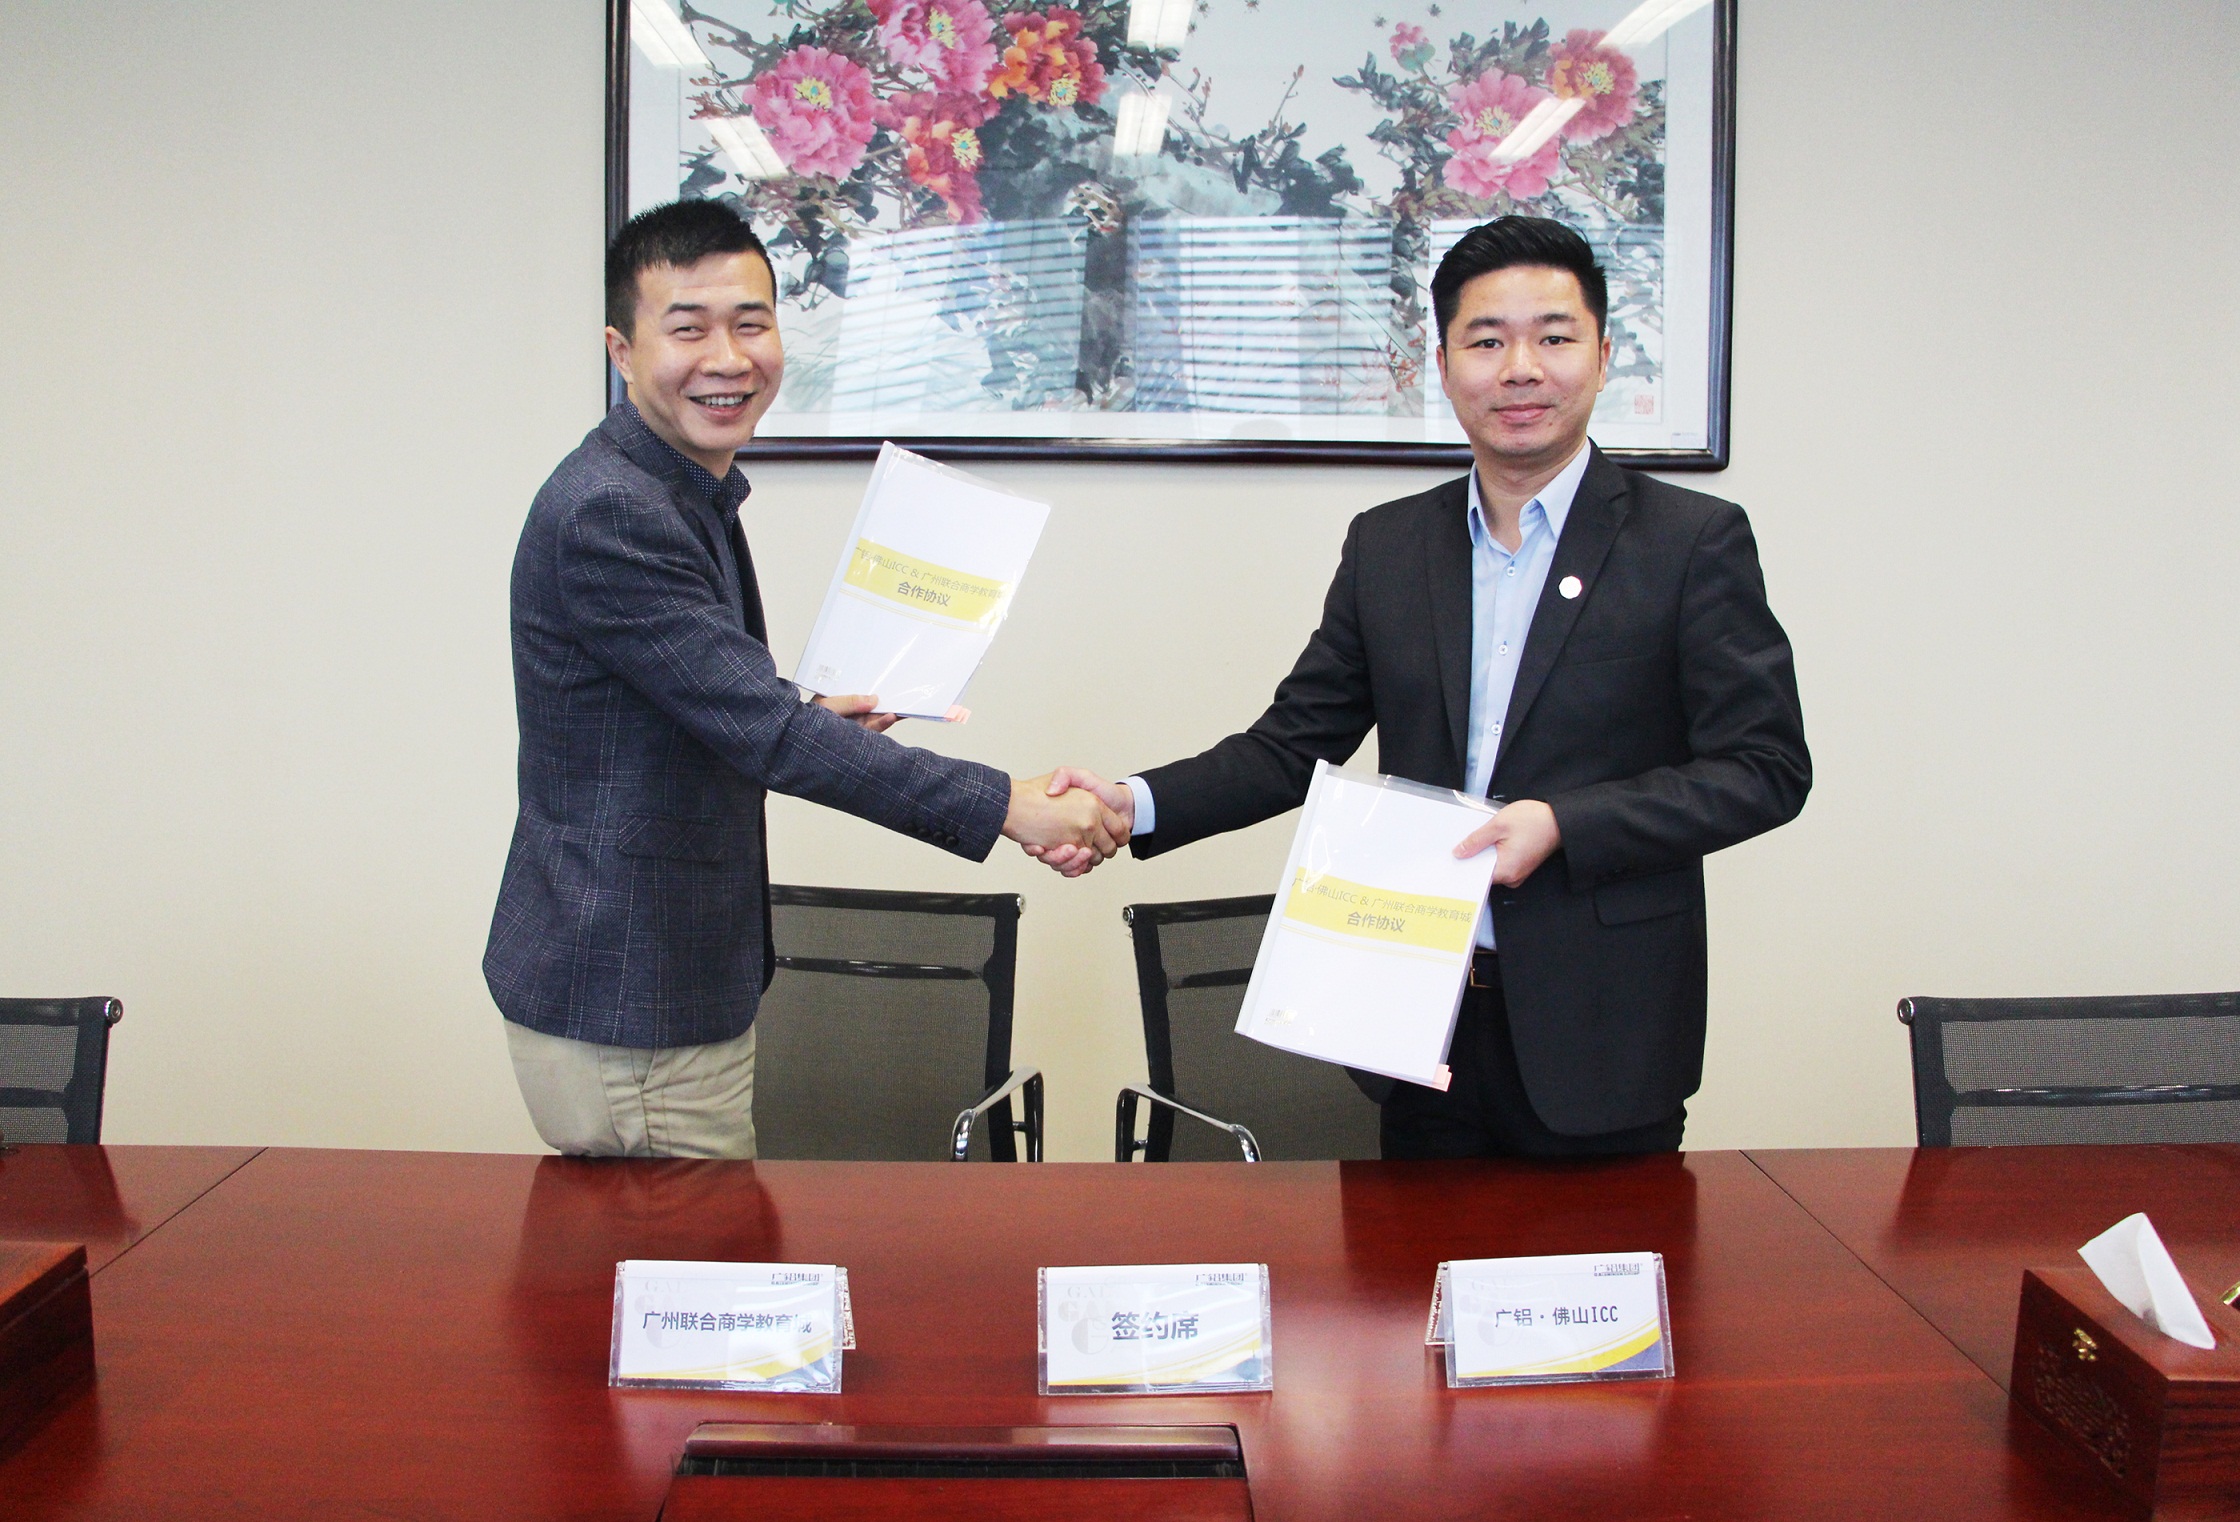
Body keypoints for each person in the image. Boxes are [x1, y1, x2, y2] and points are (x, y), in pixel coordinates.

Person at [1032, 215, 1810, 1160]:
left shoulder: (1690, 542)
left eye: (1554, 338)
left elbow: (1765, 768)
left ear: (1604, 357)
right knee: (1407, 1259)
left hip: (1604, 1027)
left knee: (1599, 1266)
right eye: (1486, 342)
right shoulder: (1390, 545)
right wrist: (1136, 804)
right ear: (1442, 366)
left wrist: (1566, 823)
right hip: (1411, 1018)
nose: (1520, 369)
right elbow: (1291, 744)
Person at [486, 199, 1118, 1160]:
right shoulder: (615, 511)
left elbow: (713, 706)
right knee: (686, 1253)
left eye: (751, 323)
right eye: (688, 329)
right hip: (631, 997)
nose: (728, 358)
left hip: (655, 980)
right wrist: (1011, 806)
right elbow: (767, 734)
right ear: (622, 350)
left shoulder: (674, 486)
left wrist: (811, 716)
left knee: (681, 1251)